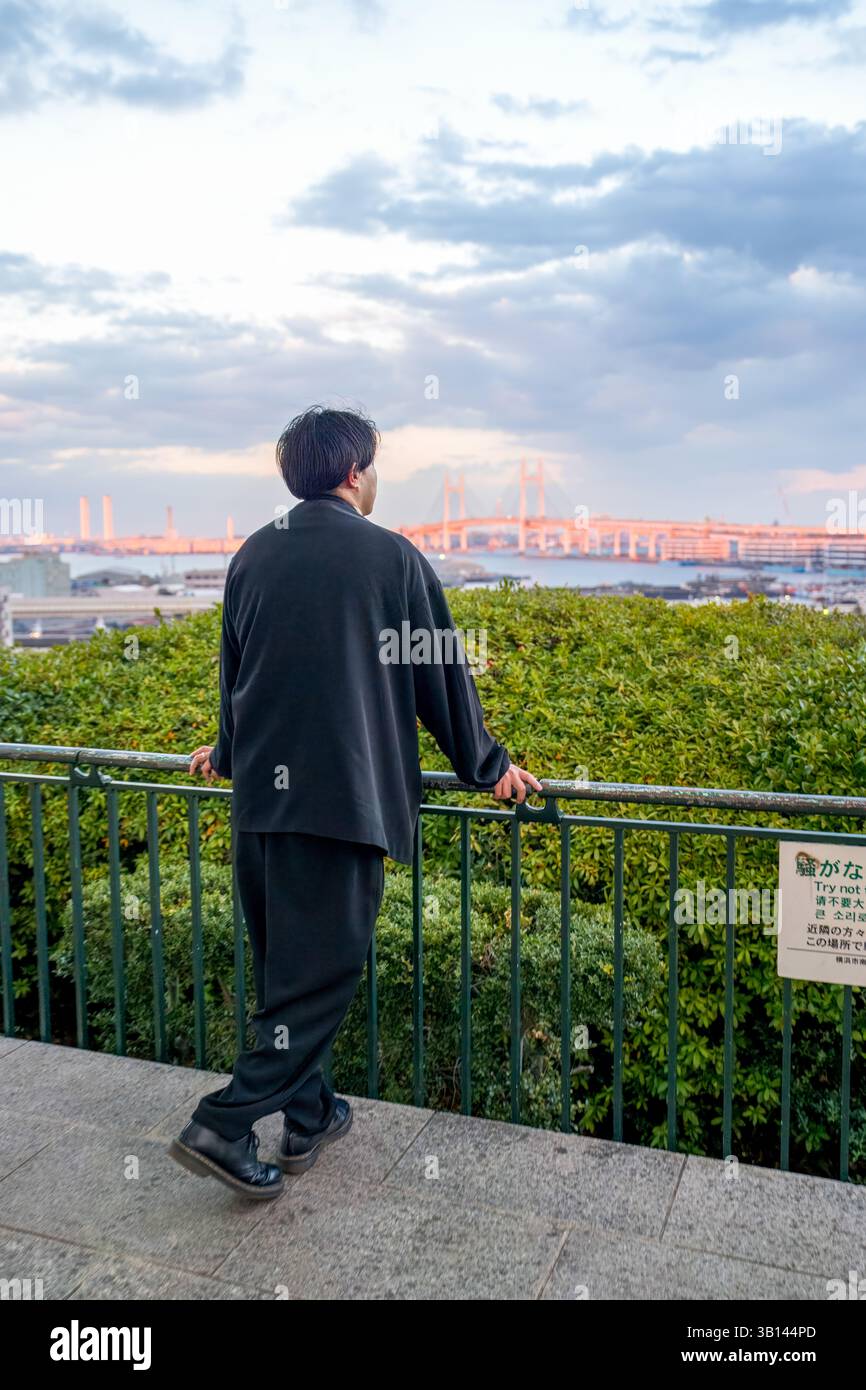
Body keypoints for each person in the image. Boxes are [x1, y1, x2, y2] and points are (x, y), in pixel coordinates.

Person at [169, 405, 541, 1198]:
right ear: (353, 472)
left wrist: (227, 754)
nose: (374, 479)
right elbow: (440, 677)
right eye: (372, 466)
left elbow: (238, 678)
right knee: (324, 977)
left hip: (261, 809)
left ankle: (310, 1116)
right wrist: (489, 766)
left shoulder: (251, 556)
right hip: (342, 807)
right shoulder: (391, 558)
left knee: (287, 977)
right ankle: (222, 1124)